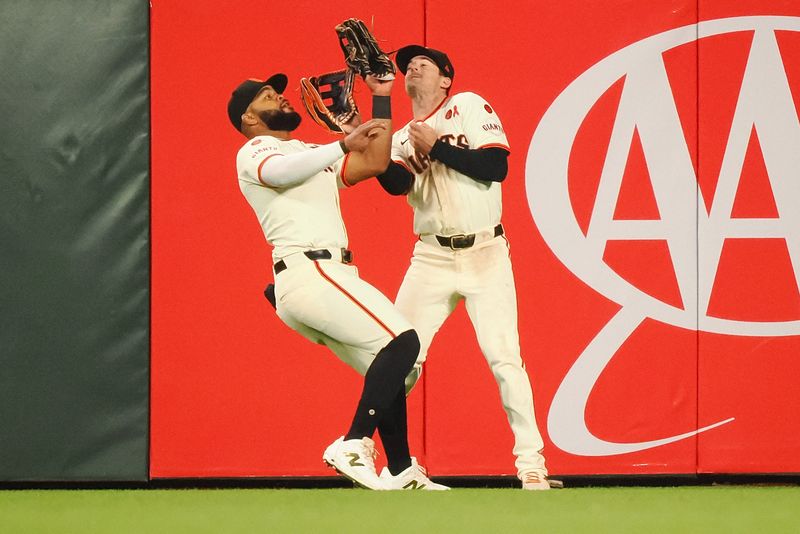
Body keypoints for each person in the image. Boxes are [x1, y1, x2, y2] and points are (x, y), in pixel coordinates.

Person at [229, 71, 447, 490]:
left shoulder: (307, 150)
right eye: (268, 97)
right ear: (249, 119)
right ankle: (353, 443)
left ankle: (401, 471)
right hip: (310, 269)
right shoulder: (257, 148)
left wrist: (381, 98)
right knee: (403, 342)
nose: (282, 99)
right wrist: (342, 142)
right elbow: (278, 173)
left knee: (392, 372)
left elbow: (375, 162)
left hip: (321, 276)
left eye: (278, 93)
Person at [376, 45, 551, 490]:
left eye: (424, 64)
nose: (412, 68)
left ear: (445, 80)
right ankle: (395, 466)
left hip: (485, 252)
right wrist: (374, 145)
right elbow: (396, 185)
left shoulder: (468, 105)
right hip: (431, 256)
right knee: (398, 362)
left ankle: (531, 463)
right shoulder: (400, 138)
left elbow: (496, 166)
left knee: (504, 358)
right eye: (407, 66)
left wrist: (436, 147)